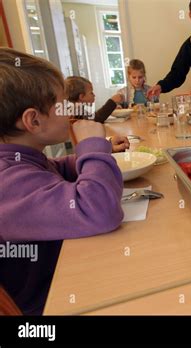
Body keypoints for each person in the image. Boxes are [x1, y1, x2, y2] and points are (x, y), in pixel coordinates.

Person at [0, 48, 125, 315]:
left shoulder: (20, 160)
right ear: (33, 120)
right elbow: (99, 209)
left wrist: (96, 153)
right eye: (62, 104)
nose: (70, 110)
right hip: (48, 304)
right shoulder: (6, 183)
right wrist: (91, 149)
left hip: (64, 271)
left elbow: (52, 169)